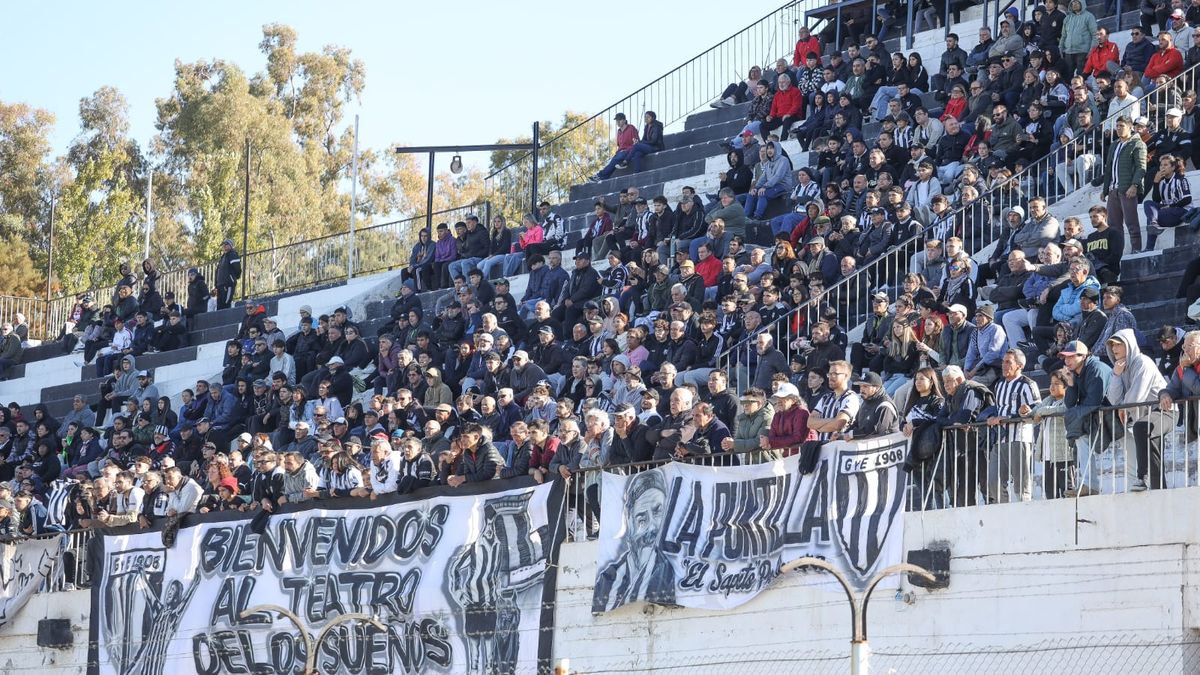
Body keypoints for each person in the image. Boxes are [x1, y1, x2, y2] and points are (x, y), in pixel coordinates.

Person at [1106, 329, 1173, 492]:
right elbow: (1114, 399)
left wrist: (1123, 407)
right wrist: (1115, 375)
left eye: (1119, 344)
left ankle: (1143, 479)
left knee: (1142, 429)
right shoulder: (1120, 367)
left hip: (1164, 410)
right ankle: (1157, 489)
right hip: (1141, 416)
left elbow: (1137, 395)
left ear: (1129, 345)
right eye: (1112, 345)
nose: (1115, 348)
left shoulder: (1143, 362)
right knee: (1147, 443)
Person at [984, 349, 1041, 503]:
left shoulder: (1028, 384)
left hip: (1019, 437)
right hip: (1000, 438)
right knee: (993, 482)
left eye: (1008, 362)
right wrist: (991, 417)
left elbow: (1037, 409)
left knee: (1021, 483)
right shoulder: (999, 385)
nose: (1004, 365)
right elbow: (998, 408)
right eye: (1003, 361)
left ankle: (1025, 512)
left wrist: (1016, 415)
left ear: (1019, 365)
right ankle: (1003, 510)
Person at [1060, 341, 1114, 497]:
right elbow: (1070, 403)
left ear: (1083, 356)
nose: (1067, 361)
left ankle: (1090, 484)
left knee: (1079, 432)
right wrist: (1070, 383)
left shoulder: (1095, 369)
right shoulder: (1076, 373)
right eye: (1065, 357)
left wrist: (1073, 415)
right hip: (1096, 415)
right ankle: (1088, 484)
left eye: (1071, 357)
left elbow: (1093, 401)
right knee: (1080, 437)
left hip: (1116, 413)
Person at [590, 113, 640, 182]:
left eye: (619, 120)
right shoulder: (619, 132)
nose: (618, 122)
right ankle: (602, 178)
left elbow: (636, 143)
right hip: (621, 152)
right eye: (617, 121)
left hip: (629, 151)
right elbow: (620, 145)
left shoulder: (631, 128)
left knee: (616, 159)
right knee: (612, 162)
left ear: (624, 120)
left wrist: (626, 150)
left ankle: (599, 175)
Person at [215, 238, 242, 310]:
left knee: (226, 303)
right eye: (223, 245)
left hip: (228, 284)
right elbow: (218, 271)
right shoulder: (223, 257)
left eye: (226, 244)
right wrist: (216, 284)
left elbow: (237, 268)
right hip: (220, 285)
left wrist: (233, 278)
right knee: (219, 305)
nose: (224, 246)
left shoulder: (232, 254)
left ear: (231, 245)